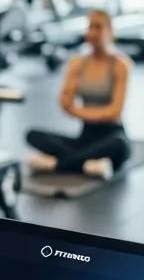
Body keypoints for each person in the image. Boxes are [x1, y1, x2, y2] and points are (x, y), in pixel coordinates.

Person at [25, 9, 132, 180]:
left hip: (111, 135)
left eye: (98, 27)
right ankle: (87, 163)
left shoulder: (120, 65)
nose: (93, 33)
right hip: (86, 136)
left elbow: (115, 112)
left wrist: (83, 113)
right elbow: (65, 103)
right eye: (90, 27)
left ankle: (56, 164)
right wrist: (96, 115)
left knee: (120, 146)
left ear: (110, 32)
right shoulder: (78, 64)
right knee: (32, 135)